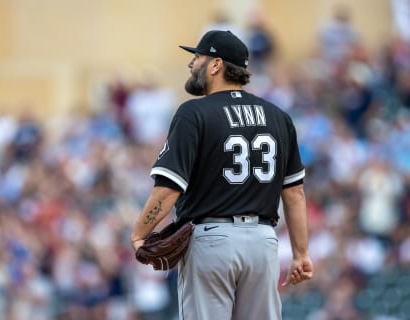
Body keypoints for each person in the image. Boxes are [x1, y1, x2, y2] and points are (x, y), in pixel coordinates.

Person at [130, 30, 313, 320]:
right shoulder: (278, 117)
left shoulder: (194, 113)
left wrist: (140, 233)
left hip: (212, 241)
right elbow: (294, 192)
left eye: (197, 57)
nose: (192, 64)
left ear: (216, 65)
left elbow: (168, 189)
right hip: (263, 244)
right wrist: (301, 254)